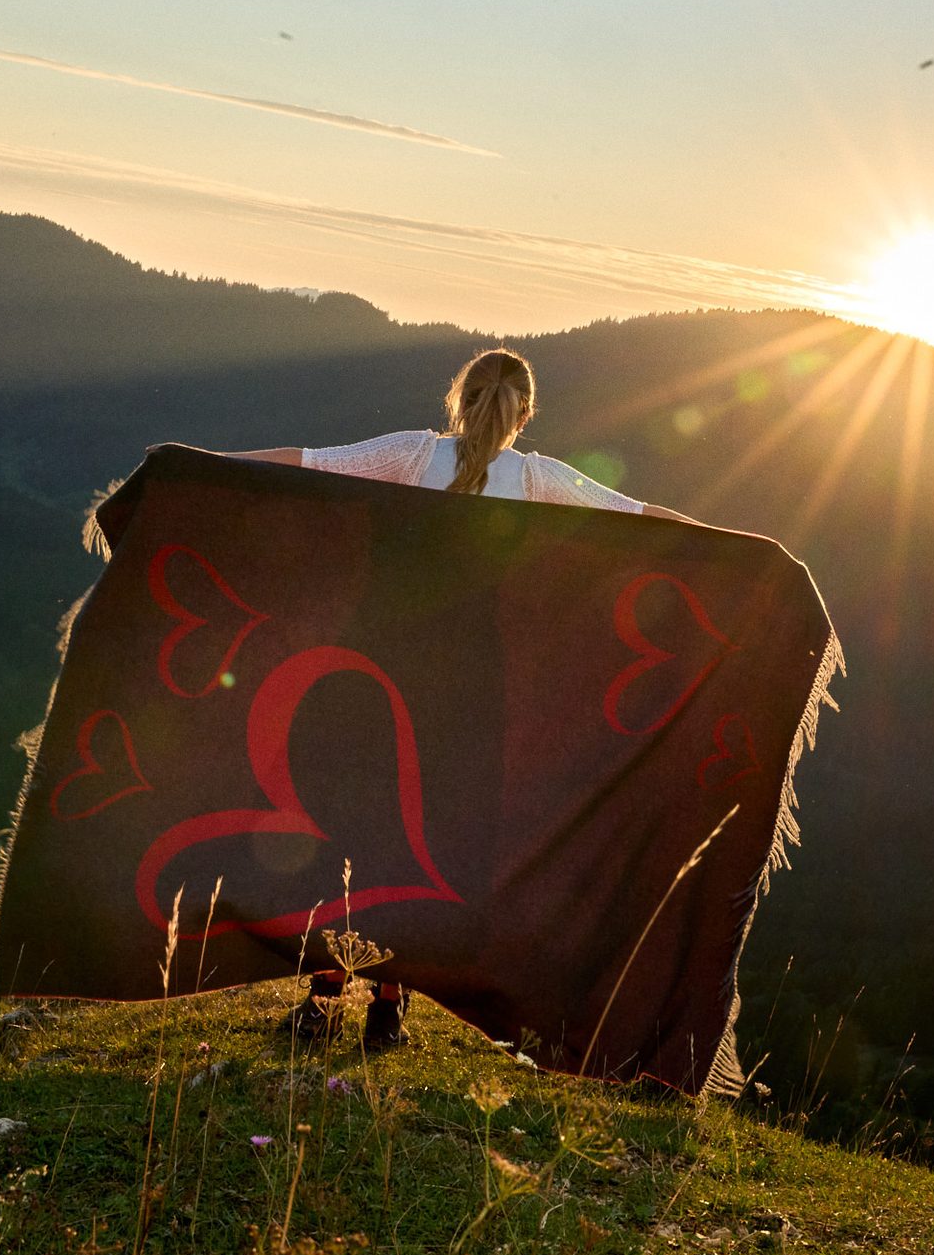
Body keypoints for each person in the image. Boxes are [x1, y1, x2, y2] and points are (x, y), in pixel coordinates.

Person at [221, 346, 695, 1048]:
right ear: (526, 413)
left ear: (458, 398)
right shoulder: (539, 481)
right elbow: (640, 517)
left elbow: (304, 464)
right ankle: (387, 1010)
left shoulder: (410, 456)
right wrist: (745, 553)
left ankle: (321, 1003)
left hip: (370, 673)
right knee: (430, 846)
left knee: (345, 829)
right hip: (467, 692)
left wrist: (200, 460)